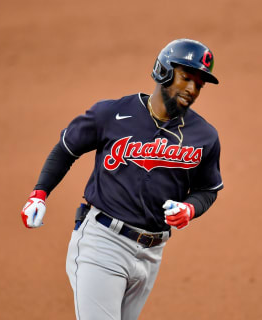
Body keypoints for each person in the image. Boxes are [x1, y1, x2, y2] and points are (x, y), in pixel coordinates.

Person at [20, 38, 224, 320]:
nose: (192, 89)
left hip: (151, 255)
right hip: (103, 243)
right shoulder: (111, 114)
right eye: (186, 78)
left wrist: (190, 208)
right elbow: (67, 148)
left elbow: (207, 189)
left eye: (198, 85)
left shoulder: (205, 136)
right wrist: (40, 193)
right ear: (164, 71)